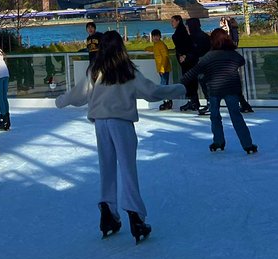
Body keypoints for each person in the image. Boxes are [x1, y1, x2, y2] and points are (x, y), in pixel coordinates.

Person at [56, 30, 185, 243]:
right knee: (127, 169)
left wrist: (61, 100)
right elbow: (151, 92)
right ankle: (135, 216)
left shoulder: (95, 71)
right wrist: (177, 89)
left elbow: (78, 95)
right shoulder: (127, 71)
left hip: (100, 124)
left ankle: (108, 213)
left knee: (106, 168)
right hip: (121, 123)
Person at [180, 28, 259, 154]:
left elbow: (194, 71)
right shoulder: (233, 55)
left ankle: (218, 142)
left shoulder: (209, 56)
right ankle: (247, 144)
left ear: (213, 41)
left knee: (215, 116)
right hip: (231, 89)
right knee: (236, 116)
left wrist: (180, 82)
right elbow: (242, 61)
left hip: (214, 89)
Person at [170, 15, 197, 111]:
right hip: (187, 59)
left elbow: (183, 45)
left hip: (186, 60)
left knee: (189, 80)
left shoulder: (180, 33)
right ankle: (194, 101)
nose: (171, 23)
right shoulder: (182, 31)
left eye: (173, 21)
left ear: (178, 21)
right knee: (190, 80)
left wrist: (183, 55)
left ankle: (193, 101)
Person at [150, 29, 172, 110]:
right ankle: (167, 101)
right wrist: (148, 48)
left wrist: (162, 68)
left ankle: (167, 102)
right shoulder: (156, 44)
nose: (155, 37)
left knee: (163, 86)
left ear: (160, 36)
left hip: (164, 69)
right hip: (161, 69)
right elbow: (154, 49)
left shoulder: (161, 44)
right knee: (164, 85)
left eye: (157, 36)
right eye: (154, 36)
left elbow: (165, 57)